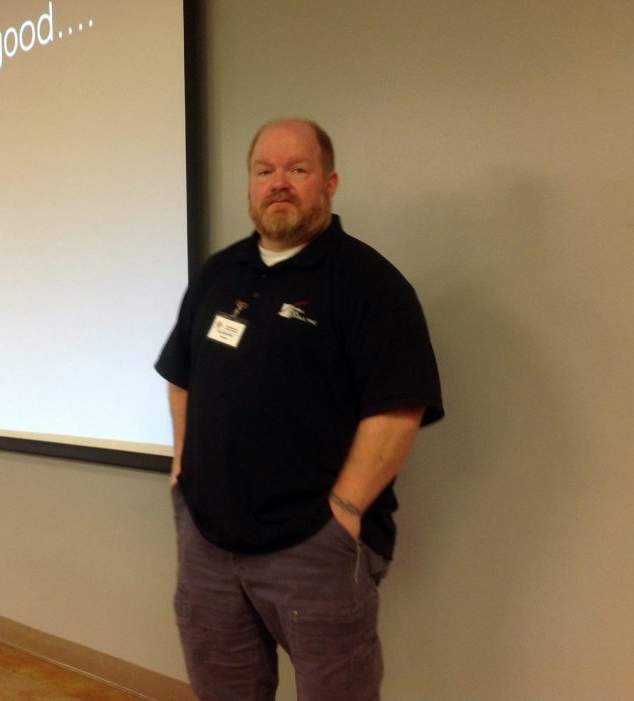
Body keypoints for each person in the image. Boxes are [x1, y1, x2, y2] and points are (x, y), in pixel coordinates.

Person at [155, 118, 443, 700]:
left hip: (313, 547)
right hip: (208, 544)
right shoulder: (220, 273)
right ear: (250, 187)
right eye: (265, 171)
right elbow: (182, 375)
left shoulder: (370, 284)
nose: (278, 182)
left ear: (329, 182)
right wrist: (182, 466)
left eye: (297, 169)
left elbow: (397, 409)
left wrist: (343, 512)